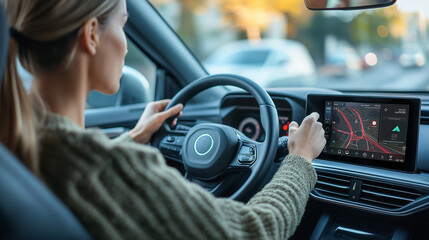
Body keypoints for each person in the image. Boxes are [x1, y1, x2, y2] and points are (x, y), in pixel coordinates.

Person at [0, 0, 326, 239]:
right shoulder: (108, 168)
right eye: (123, 25)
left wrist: (134, 137)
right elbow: (254, 231)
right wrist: (299, 159)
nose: (126, 47)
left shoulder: (18, 139)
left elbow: (88, 172)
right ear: (92, 35)